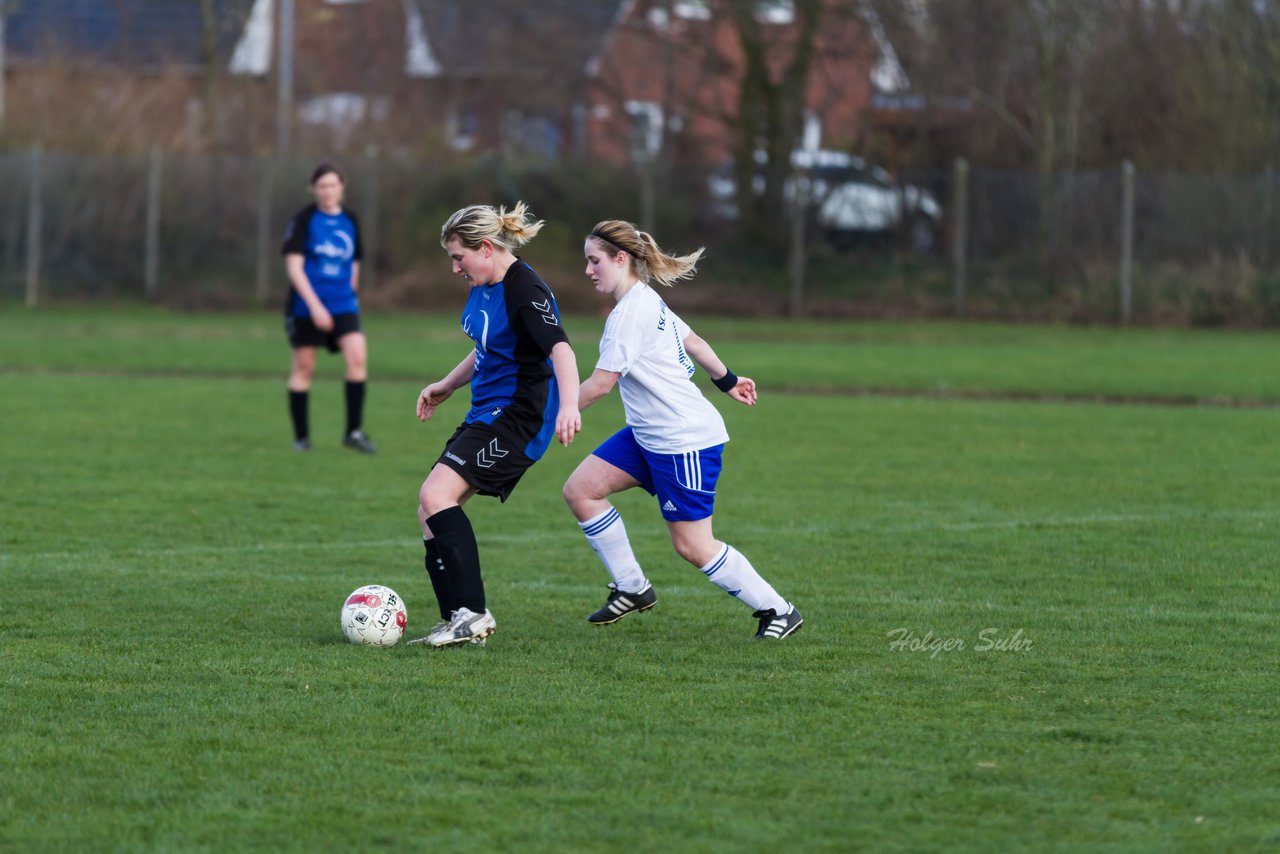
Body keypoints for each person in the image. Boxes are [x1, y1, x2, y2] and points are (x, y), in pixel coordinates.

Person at [563, 220, 802, 640]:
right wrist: (728, 379)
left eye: (594, 261)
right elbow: (692, 340)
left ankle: (779, 610)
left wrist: (553, 412)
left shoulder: (630, 314)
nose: (588, 270)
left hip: (682, 441)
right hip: (646, 434)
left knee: (692, 546)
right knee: (581, 490)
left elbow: (601, 384)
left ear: (621, 260)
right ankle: (633, 587)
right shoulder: (644, 298)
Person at [408, 202, 582, 647]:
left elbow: (560, 349)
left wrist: (570, 405)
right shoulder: (484, 281)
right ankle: (458, 621)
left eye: (458, 257)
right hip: (486, 412)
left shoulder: (525, 290)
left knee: (436, 495)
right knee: (429, 512)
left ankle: (474, 613)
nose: (454, 268)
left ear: (485, 248)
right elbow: (487, 347)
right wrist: (448, 383)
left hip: (519, 419)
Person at [282, 162, 376, 453]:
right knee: (304, 367)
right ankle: (301, 438)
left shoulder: (350, 219)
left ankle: (353, 432)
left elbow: (355, 261)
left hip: (342, 303)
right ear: (314, 189)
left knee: (357, 357)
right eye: (322, 186)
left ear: (341, 187)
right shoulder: (304, 219)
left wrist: (352, 294)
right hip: (306, 305)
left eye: (333, 185)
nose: (327, 191)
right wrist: (315, 307)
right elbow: (294, 267)